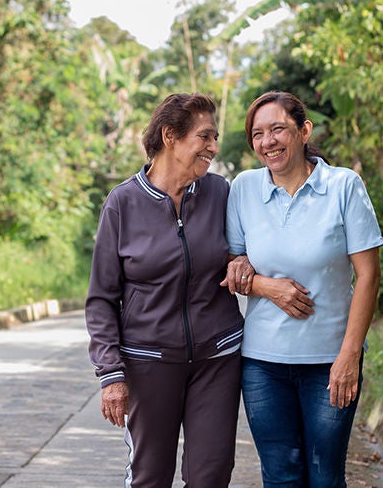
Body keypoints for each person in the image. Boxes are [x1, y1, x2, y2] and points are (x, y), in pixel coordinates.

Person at [222, 91, 383, 487]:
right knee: (280, 475)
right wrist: (266, 285)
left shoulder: (344, 186)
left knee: (325, 476)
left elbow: (369, 275)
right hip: (262, 364)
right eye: (258, 134)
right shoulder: (243, 189)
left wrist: (349, 356)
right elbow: (232, 265)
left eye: (278, 129)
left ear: (303, 131)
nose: (268, 142)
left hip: (330, 361)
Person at [85, 93, 246, 487]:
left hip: (216, 359)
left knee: (210, 476)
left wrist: (244, 261)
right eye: (204, 137)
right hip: (148, 361)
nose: (213, 147)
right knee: (150, 476)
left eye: (215, 137)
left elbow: (249, 248)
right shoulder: (122, 203)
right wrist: (111, 374)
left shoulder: (221, 193)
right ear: (170, 136)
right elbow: (102, 299)